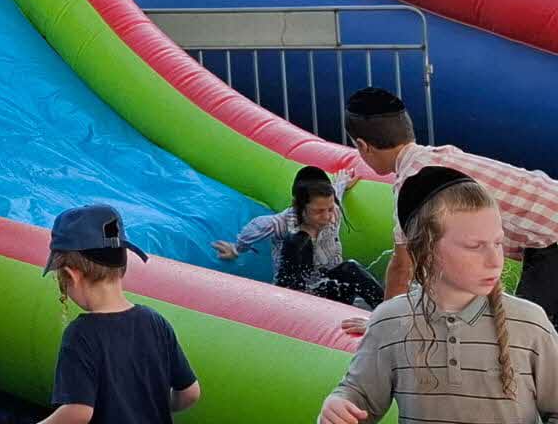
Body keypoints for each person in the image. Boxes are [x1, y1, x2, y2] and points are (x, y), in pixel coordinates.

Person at [319, 168, 558, 424]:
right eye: (475, 246)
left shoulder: (529, 324)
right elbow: (359, 398)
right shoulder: (390, 322)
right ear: (427, 250)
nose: (495, 260)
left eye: (497, 243)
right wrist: (337, 407)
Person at [345, 86, 558, 324]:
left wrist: (381, 324)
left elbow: (402, 267)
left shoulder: (414, 181)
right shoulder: (443, 154)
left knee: (524, 329)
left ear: (363, 146)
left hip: (552, 241)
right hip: (549, 222)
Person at [42, 205, 201, 424]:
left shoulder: (81, 334)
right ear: (121, 266)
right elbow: (190, 393)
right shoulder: (155, 322)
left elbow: (78, 412)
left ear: (71, 275)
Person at [212, 165, 382, 307]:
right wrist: (236, 249)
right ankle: (297, 303)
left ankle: (386, 311)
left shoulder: (332, 212)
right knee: (299, 240)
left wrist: (340, 184)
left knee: (350, 268)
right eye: (318, 212)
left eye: (329, 209)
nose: (326, 217)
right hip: (293, 294)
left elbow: (334, 196)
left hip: (332, 287)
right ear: (298, 206)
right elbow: (253, 229)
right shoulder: (279, 223)